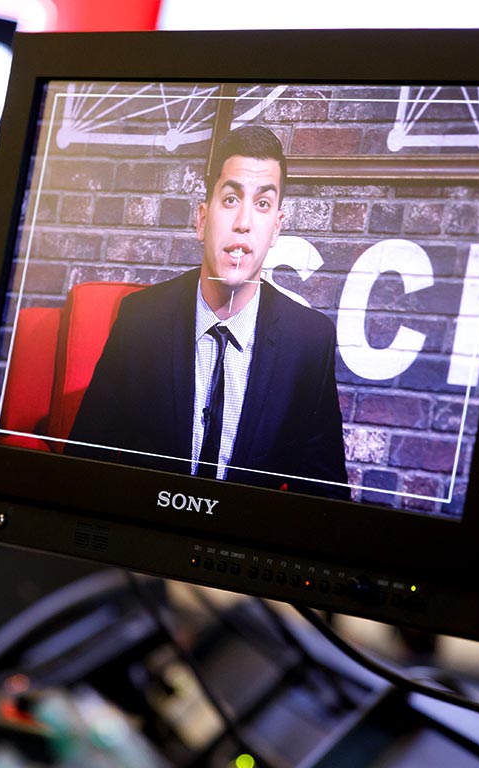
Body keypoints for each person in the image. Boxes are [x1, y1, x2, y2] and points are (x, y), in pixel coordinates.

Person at [65, 125, 348, 497]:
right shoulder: (140, 321)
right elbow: (83, 465)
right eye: (230, 199)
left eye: (262, 204)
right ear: (202, 219)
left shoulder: (310, 342)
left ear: (276, 228)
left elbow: (326, 496)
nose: (243, 223)